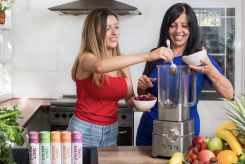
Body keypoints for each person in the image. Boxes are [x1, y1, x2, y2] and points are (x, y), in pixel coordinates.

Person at [68, 8, 174, 147]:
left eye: (116, 27)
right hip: (84, 131)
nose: (114, 32)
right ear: (94, 33)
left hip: (111, 131)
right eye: (107, 28)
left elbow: (129, 100)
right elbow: (100, 66)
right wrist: (147, 56)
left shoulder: (122, 62)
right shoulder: (86, 58)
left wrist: (143, 100)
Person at [136, 3, 234, 146]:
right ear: (166, 28)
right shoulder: (156, 55)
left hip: (186, 134)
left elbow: (229, 93)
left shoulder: (200, 58)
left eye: (185, 26)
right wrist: (142, 87)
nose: (178, 31)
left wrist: (212, 71)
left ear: (191, 28)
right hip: (149, 133)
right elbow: (144, 95)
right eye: (173, 25)